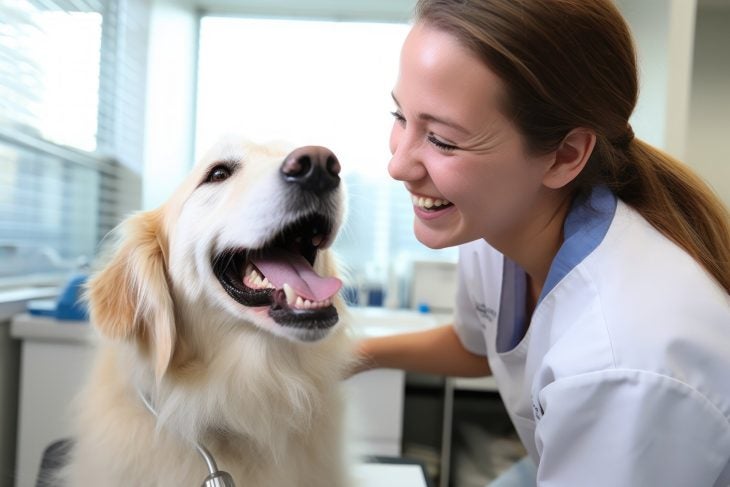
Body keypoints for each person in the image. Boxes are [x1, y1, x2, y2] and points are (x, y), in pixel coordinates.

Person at [354, 0, 730, 485]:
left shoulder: (620, 363)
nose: (398, 165)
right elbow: (482, 346)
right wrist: (354, 356)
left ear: (565, 155)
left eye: (443, 140)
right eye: (400, 116)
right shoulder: (494, 223)